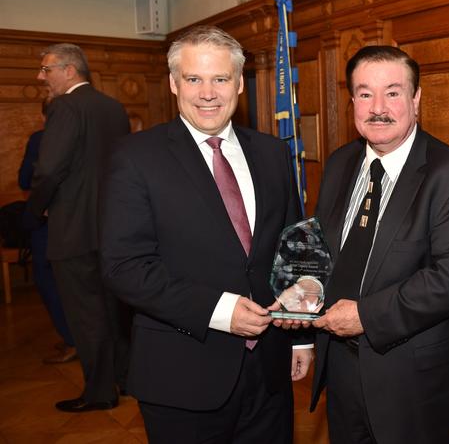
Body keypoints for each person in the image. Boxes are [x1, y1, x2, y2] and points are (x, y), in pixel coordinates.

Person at [100, 25, 312, 443]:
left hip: (269, 372)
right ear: (174, 84)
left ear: (239, 84)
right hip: (182, 374)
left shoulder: (272, 153)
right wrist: (220, 310)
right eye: (194, 79)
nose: (208, 93)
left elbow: (296, 249)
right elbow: (123, 267)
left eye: (220, 79)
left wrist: (300, 334)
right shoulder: (135, 158)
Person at [309, 45, 449, 443]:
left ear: (416, 99)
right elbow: (325, 251)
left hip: (415, 380)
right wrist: (303, 290)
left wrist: (366, 317)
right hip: (341, 366)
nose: (378, 107)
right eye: (365, 93)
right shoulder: (339, 164)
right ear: (352, 101)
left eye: (392, 92)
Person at [24, 43, 131, 412]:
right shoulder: (113, 107)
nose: (41, 77)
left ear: (70, 70)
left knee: (86, 316)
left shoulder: (65, 107)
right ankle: (125, 379)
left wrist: (34, 211)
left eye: (46, 69)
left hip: (73, 229)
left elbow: (49, 169)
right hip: (113, 227)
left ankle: (100, 393)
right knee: (113, 311)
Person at [18, 99, 76, 364]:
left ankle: (71, 339)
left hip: (48, 222)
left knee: (47, 280)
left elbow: (24, 180)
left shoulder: (40, 139)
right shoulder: (86, 136)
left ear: (44, 115)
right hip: (82, 222)